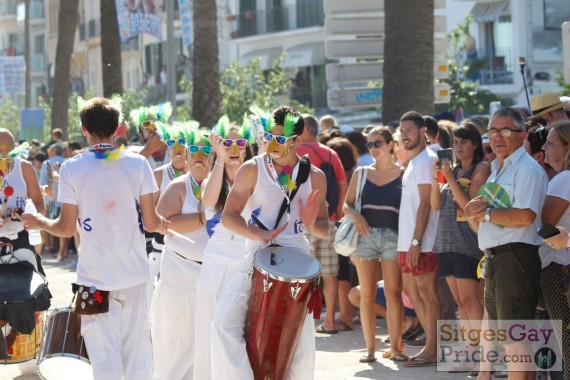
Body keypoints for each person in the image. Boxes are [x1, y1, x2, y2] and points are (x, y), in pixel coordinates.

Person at [22, 96, 169, 380]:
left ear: (84, 128)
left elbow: (65, 228)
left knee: (102, 357)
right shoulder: (138, 165)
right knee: (137, 352)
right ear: (118, 129)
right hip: (135, 276)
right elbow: (151, 223)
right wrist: (163, 224)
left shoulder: (72, 168)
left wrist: (39, 221)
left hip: (93, 279)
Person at [212, 105, 329, 379]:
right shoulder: (252, 169)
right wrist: (258, 235)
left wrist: (313, 223)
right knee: (222, 327)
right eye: (269, 135)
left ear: (298, 140)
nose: (272, 143)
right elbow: (228, 216)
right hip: (256, 254)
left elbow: (323, 228)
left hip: (298, 260)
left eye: (280, 138)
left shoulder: (315, 176)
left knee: (298, 345)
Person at [464, 106, 548, 378]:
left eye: (504, 131)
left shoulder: (526, 170)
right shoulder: (499, 169)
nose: (497, 137)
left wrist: (485, 213)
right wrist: (476, 212)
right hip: (497, 257)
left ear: (522, 134)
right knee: (510, 336)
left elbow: (525, 216)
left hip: (516, 256)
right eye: (492, 131)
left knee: (515, 338)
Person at [192, 117, 254, 380]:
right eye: (228, 143)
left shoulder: (257, 176)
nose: (234, 148)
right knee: (210, 326)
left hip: (246, 260)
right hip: (216, 261)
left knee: (240, 329)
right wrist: (218, 159)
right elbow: (207, 202)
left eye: (240, 143)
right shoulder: (213, 179)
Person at [150, 127, 211, 380]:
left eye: (206, 150)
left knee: (206, 341)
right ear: (186, 156)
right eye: (194, 150)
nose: (199, 156)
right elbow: (163, 225)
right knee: (177, 340)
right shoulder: (177, 186)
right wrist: (201, 218)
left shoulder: (224, 186)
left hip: (211, 273)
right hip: (179, 275)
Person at [430, 121, 490, 371]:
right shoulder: (451, 170)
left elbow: (469, 204)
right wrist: (436, 179)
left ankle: (480, 355)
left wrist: (451, 179)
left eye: (464, 142)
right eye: (455, 142)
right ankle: (469, 350)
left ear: (475, 144)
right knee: (459, 302)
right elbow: (435, 204)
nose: (459, 147)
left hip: (468, 241)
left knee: (470, 299)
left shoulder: (481, 168)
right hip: (445, 240)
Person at [344, 127, 405, 363]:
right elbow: (346, 205)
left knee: (393, 294)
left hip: (394, 236)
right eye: (369, 144)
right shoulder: (361, 173)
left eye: (377, 143)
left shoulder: (403, 173)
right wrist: (357, 216)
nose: (373, 148)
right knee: (367, 294)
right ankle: (370, 350)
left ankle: (396, 348)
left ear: (391, 144)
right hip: (365, 235)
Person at [396, 111, 441, 367]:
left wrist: (416, 242)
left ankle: (432, 349)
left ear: (423, 131)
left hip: (423, 241)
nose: (404, 135)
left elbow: (426, 205)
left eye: (410, 130)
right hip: (410, 241)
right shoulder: (415, 160)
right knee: (416, 294)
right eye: (402, 131)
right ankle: (430, 347)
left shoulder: (426, 160)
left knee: (427, 293)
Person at [297, 114, 348, 334]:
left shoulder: (296, 153)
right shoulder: (330, 153)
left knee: (302, 274)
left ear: (304, 130)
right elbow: (343, 185)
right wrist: (337, 213)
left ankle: (301, 323)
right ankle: (329, 322)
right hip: (329, 221)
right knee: (330, 274)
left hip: (303, 222)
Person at [537, 121, 570, 377]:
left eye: (550, 142)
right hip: (559, 269)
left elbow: (541, 224)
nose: (544, 147)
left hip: (559, 271)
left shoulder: (564, 179)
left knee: (564, 346)